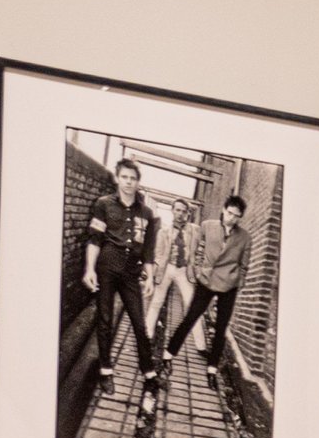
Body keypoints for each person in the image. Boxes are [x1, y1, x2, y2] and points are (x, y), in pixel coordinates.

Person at [79, 159, 158, 405]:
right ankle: (105, 370)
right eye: (124, 177)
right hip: (107, 266)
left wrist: (151, 278)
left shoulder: (146, 214)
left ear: (138, 182)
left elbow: (148, 252)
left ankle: (148, 372)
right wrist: (89, 268)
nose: (128, 182)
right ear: (117, 178)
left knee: (138, 321)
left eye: (133, 178)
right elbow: (94, 239)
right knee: (105, 320)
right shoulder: (103, 205)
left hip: (131, 272)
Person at [163, 193, 251, 373]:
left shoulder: (245, 237)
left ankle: (212, 367)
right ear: (223, 210)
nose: (232, 218)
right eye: (229, 213)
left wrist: (239, 281)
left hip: (229, 284)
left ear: (240, 217)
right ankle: (168, 354)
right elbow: (197, 250)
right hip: (206, 280)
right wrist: (197, 270)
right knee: (191, 317)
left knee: (221, 326)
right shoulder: (207, 226)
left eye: (236, 216)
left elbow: (244, 264)